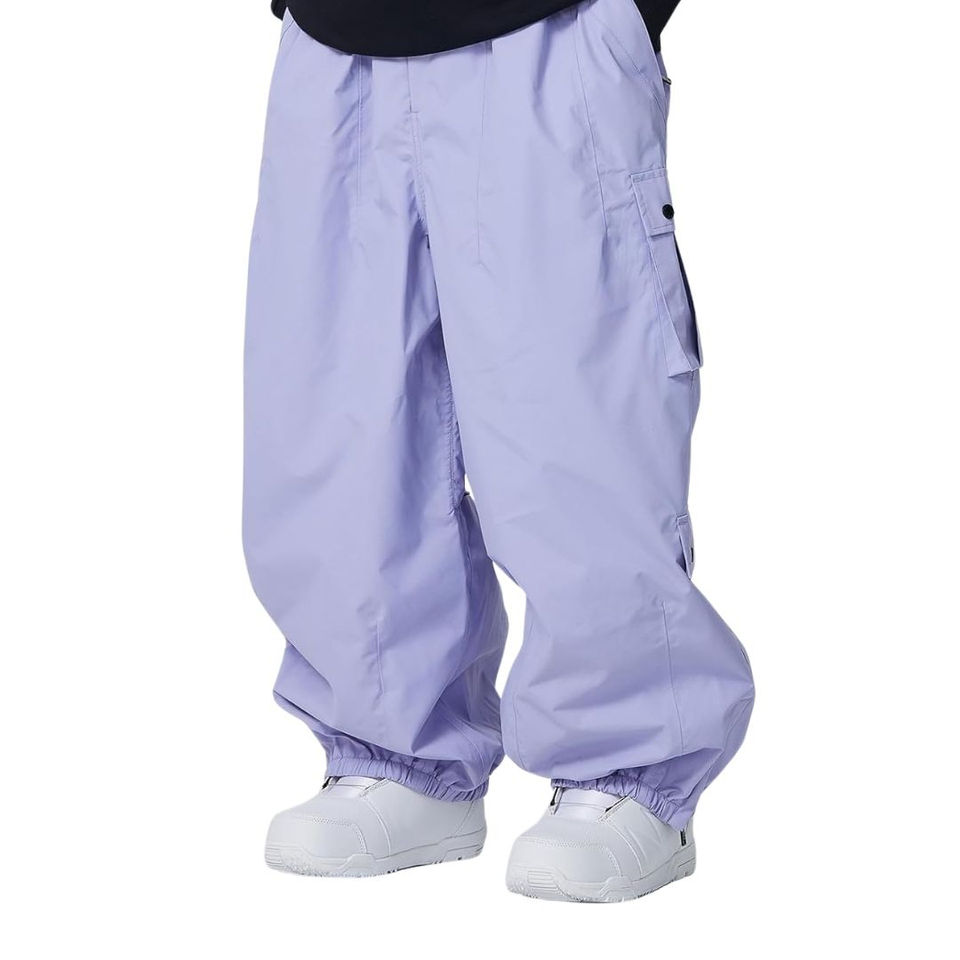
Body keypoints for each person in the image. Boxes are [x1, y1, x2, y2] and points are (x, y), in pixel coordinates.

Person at [245, 0, 754, 903]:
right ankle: (398, 753)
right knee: (337, 422)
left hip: (546, 30)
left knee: (569, 416)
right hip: (333, 41)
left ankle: (627, 764)